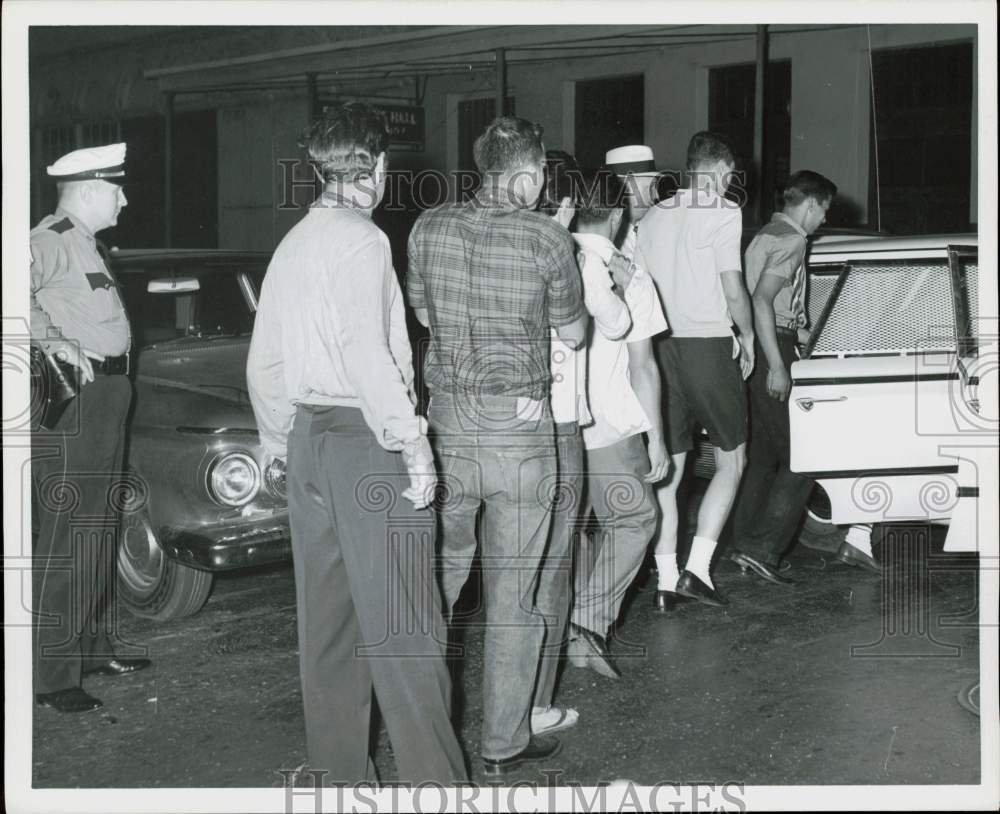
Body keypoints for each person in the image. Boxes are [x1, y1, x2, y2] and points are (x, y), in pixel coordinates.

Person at [246, 102, 466, 785]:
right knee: (406, 629)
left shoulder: (295, 240)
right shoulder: (364, 240)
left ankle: (343, 786)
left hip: (308, 438)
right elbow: (367, 353)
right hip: (366, 440)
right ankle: (438, 790)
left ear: (319, 168)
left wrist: (279, 443)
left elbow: (264, 362)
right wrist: (414, 444)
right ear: (376, 165)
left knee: (331, 631)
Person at [407, 116, 586, 777]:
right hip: (520, 432)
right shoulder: (546, 236)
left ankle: (416, 730)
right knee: (514, 594)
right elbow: (574, 333)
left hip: (449, 427)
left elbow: (424, 316)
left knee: (437, 582)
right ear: (530, 172)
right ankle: (504, 743)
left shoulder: (429, 226)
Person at [31, 142, 152, 714]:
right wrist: (52, 338)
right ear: (87, 189)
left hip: (108, 394)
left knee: (100, 527)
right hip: (79, 399)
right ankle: (52, 676)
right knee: (71, 534)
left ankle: (92, 646)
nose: (125, 199)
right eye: (117, 188)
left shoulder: (86, 243)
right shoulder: (49, 239)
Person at [531, 153, 632, 728]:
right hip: (560, 423)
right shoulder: (567, 255)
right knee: (554, 561)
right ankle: (537, 703)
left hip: (501, 425)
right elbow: (596, 327)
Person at [636, 131, 753, 610]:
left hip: (660, 348)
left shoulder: (652, 215)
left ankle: (664, 580)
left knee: (671, 466)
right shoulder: (724, 211)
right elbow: (732, 287)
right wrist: (746, 337)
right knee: (733, 457)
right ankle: (697, 570)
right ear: (722, 171)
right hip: (706, 345)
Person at [566, 169, 669, 677]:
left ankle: (570, 622)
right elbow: (643, 366)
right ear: (616, 214)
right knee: (635, 520)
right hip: (609, 428)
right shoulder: (627, 273)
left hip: (554, 424)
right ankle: (585, 623)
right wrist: (658, 439)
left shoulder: (551, 256)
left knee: (572, 528)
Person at [729, 170, 837, 584]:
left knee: (763, 458)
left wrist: (798, 331)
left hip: (755, 349)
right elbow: (762, 300)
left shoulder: (764, 233)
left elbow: (759, 299)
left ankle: (744, 544)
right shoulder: (793, 241)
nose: (823, 220)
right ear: (810, 204)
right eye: (823, 211)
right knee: (804, 456)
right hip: (775, 350)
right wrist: (779, 363)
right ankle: (763, 548)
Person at [605, 144, 661, 262]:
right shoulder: (609, 234)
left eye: (653, 186)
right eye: (647, 189)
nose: (654, 195)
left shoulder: (658, 226)